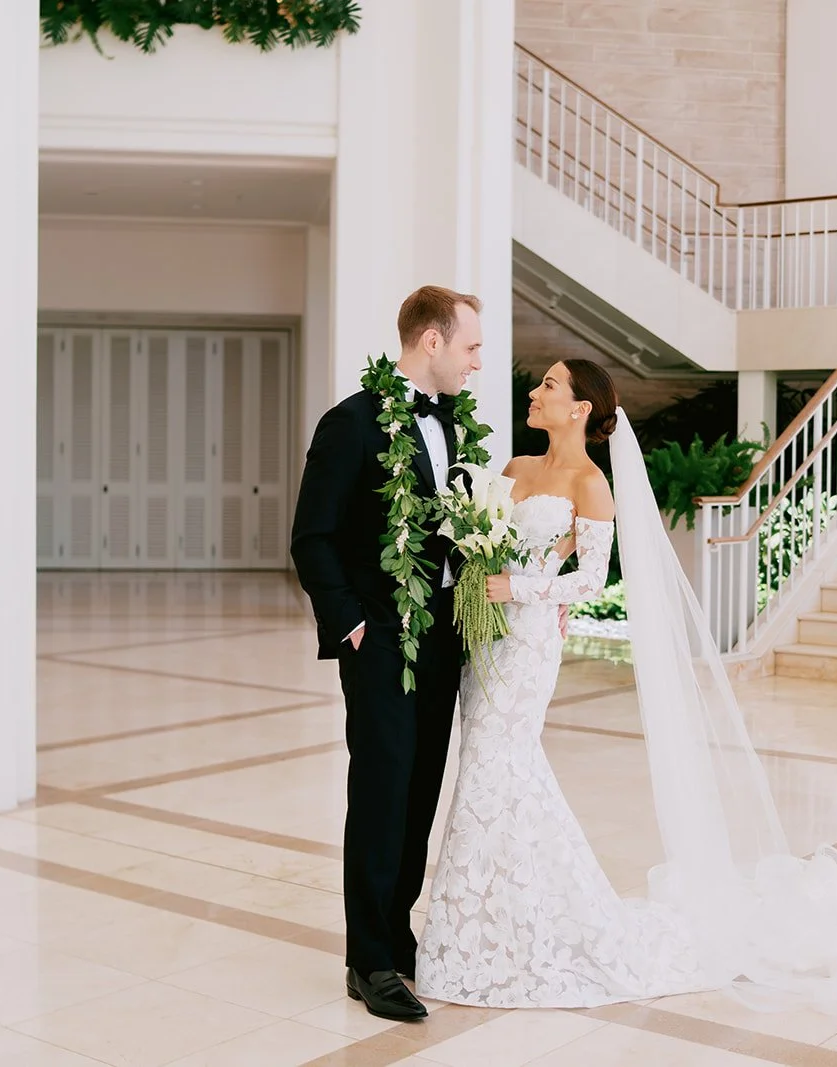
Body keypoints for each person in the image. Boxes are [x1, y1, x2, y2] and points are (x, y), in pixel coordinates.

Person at [415, 359, 837, 1012]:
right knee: (487, 769)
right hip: (487, 641)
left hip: (528, 646)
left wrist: (517, 587)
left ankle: (508, 922)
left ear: (580, 408)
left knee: (501, 765)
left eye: (549, 385)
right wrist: (481, 570)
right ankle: (483, 919)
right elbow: (482, 542)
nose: (535, 391)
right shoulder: (516, 470)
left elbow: (595, 580)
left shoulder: (591, 483)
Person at [289, 285, 484, 1022]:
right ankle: (367, 958)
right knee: (381, 790)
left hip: (442, 639)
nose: (476, 361)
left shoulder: (454, 426)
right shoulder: (352, 423)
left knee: (421, 787)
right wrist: (352, 626)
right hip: (380, 638)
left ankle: (397, 942)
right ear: (430, 342)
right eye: (470, 346)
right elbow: (312, 536)